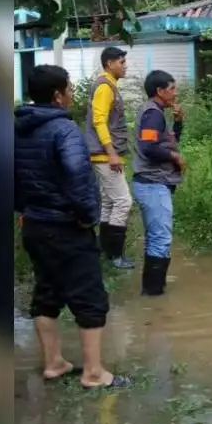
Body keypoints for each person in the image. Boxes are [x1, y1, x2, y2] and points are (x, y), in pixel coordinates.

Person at [14, 64, 128, 388]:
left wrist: (26, 208)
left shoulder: (17, 128)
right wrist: (89, 215)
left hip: (34, 225)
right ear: (57, 95)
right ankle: (93, 373)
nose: (71, 94)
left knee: (46, 293)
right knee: (89, 295)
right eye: (68, 88)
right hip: (65, 225)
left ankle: (54, 363)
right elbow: (78, 176)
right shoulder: (64, 130)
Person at [132, 70, 187, 296]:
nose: (175, 92)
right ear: (159, 91)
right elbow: (149, 147)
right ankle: (153, 294)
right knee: (161, 239)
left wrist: (178, 123)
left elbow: (166, 142)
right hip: (152, 184)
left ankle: (152, 291)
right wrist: (175, 158)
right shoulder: (152, 114)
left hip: (152, 183)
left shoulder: (157, 113)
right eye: (172, 88)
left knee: (155, 238)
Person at [82, 46, 135, 269]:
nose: (125, 66)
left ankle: (106, 253)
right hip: (105, 155)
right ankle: (115, 256)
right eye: (121, 62)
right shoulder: (104, 86)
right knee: (123, 201)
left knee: (110, 203)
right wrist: (111, 153)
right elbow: (99, 120)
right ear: (109, 64)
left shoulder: (109, 85)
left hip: (103, 154)